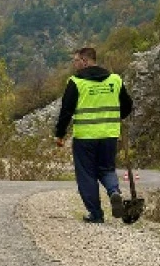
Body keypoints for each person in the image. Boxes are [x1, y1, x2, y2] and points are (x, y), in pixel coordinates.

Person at [54, 47, 133, 223]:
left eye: (75, 61)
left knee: (87, 174)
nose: (74, 65)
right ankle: (114, 192)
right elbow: (127, 105)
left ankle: (96, 214)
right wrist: (114, 117)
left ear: (85, 61)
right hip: (109, 135)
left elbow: (66, 111)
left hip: (85, 137)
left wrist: (59, 135)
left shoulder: (76, 82)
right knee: (106, 169)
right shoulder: (115, 80)